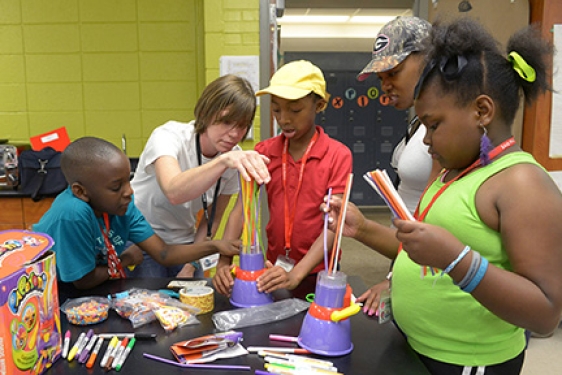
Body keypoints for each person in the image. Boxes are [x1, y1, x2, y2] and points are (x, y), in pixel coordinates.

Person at [325, 17, 562, 375]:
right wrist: (363, 229)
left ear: (481, 111)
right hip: (418, 347)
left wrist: (456, 258)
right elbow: (420, 252)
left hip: (467, 362)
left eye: (433, 125)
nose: (424, 139)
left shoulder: (522, 183)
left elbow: (546, 313)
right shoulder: (452, 171)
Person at [213, 60, 353, 296]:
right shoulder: (264, 152)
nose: (284, 119)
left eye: (295, 110)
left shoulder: (337, 155)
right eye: (277, 109)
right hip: (273, 269)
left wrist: (297, 273)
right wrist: (223, 261)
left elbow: (334, 225)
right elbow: (241, 209)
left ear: (319, 105)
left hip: (319, 271)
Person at [33, 137, 241, 290]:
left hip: (94, 287)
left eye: (128, 180)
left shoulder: (121, 206)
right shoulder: (73, 212)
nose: (129, 191)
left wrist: (214, 245)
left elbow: (163, 253)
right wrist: (124, 259)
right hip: (52, 293)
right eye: (116, 187)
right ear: (81, 191)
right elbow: (83, 280)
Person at [130, 74, 270, 278]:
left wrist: (192, 264)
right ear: (206, 113)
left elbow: (212, 219)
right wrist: (222, 162)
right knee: (149, 305)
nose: (234, 133)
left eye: (241, 126)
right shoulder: (169, 136)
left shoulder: (232, 157)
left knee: (195, 302)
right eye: (226, 121)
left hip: (184, 242)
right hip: (142, 239)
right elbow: (173, 191)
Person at [355, 16, 442, 314]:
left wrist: (394, 279)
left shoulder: (449, 129)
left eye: (393, 72)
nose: (386, 86)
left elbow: (442, 224)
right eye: (381, 78)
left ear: (429, 59)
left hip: (430, 273)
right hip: (409, 260)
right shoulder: (420, 122)